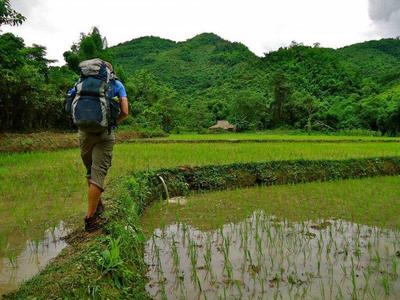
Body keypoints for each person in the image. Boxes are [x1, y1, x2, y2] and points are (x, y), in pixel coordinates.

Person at [68, 61, 129, 232]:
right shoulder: (116, 84)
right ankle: (90, 218)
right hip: (104, 134)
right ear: (110, 72)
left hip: (84, 133)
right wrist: (112, 122)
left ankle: (98, 205)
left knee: (90, 172)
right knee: (98, 174)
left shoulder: (80, 84)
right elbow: (125, 111)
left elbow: (69, 104)